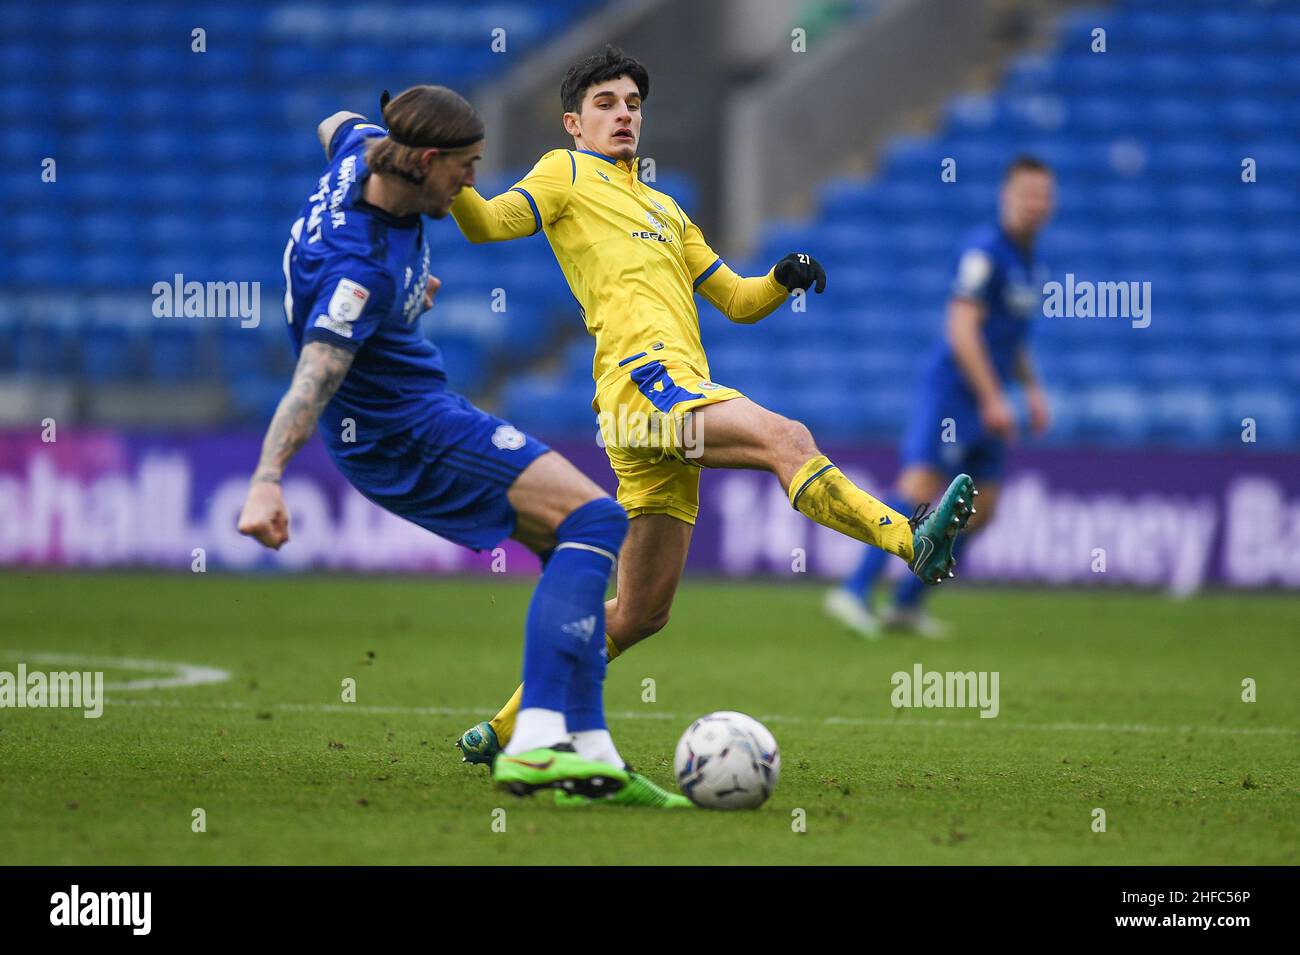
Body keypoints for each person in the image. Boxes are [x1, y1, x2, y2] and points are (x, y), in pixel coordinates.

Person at [448, 47, 976, 764]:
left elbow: (734, 298)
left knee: (640, 613)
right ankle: (910, 540)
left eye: (633, 102)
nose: (624, 113)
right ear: (574, 123)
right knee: (785, 437)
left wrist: (782, 279)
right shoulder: (562, 172)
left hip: (653, 408)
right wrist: (447, 174)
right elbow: (485, 224)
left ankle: (506, 728)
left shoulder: (668, 210)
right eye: (606, 103)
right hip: (644, 383)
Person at [236, 84, 685, 807]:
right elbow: (312, 379)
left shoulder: (362, 151)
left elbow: (334, 121)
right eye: (466, 167)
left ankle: (590, 754)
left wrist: (410, 293)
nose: (474, 182)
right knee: (597, 519)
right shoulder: (360, 272)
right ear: (425, 159)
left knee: (568, 549)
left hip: (415, 410)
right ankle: (540, 744)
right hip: (404, 430)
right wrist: (266, 477)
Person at [826, 156, 1054, 639]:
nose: (1035, 204)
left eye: (1043, 195)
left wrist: (1031, 389)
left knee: (984, 506)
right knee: (920, 487)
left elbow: (1010, 339)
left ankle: (906, 604)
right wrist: (993, 397)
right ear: (1006, 197)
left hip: (991, 398)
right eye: (1026, 194)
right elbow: (961, 327)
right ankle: (855, 590)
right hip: (956, 392)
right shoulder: (984, 252)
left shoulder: (1030, 262)